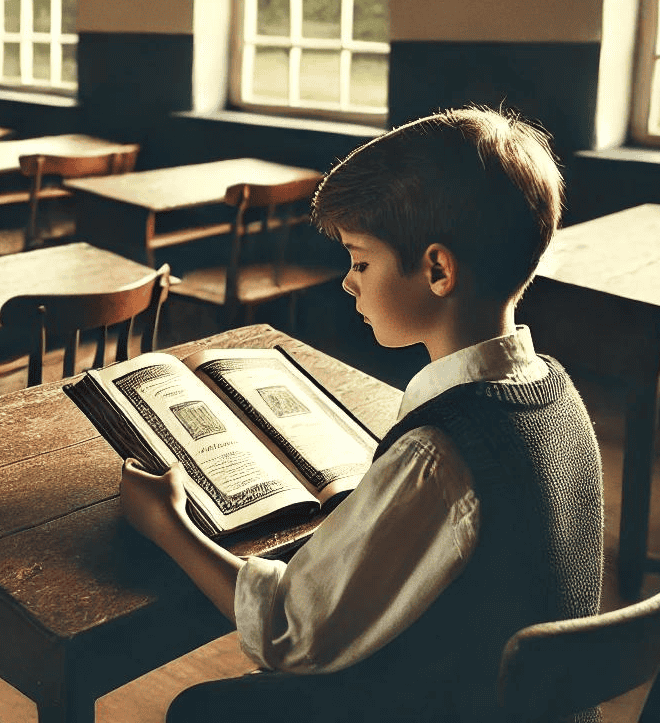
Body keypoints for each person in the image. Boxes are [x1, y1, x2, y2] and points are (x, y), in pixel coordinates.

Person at [121, 106, 605, 723]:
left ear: (437, 269)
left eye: (360, 261)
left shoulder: (438, 457)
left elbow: (289, 633)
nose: (348, 284)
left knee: (200, 709)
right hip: (529, 702)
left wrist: (167, 523)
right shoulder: (554, 392)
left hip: (449, 707)